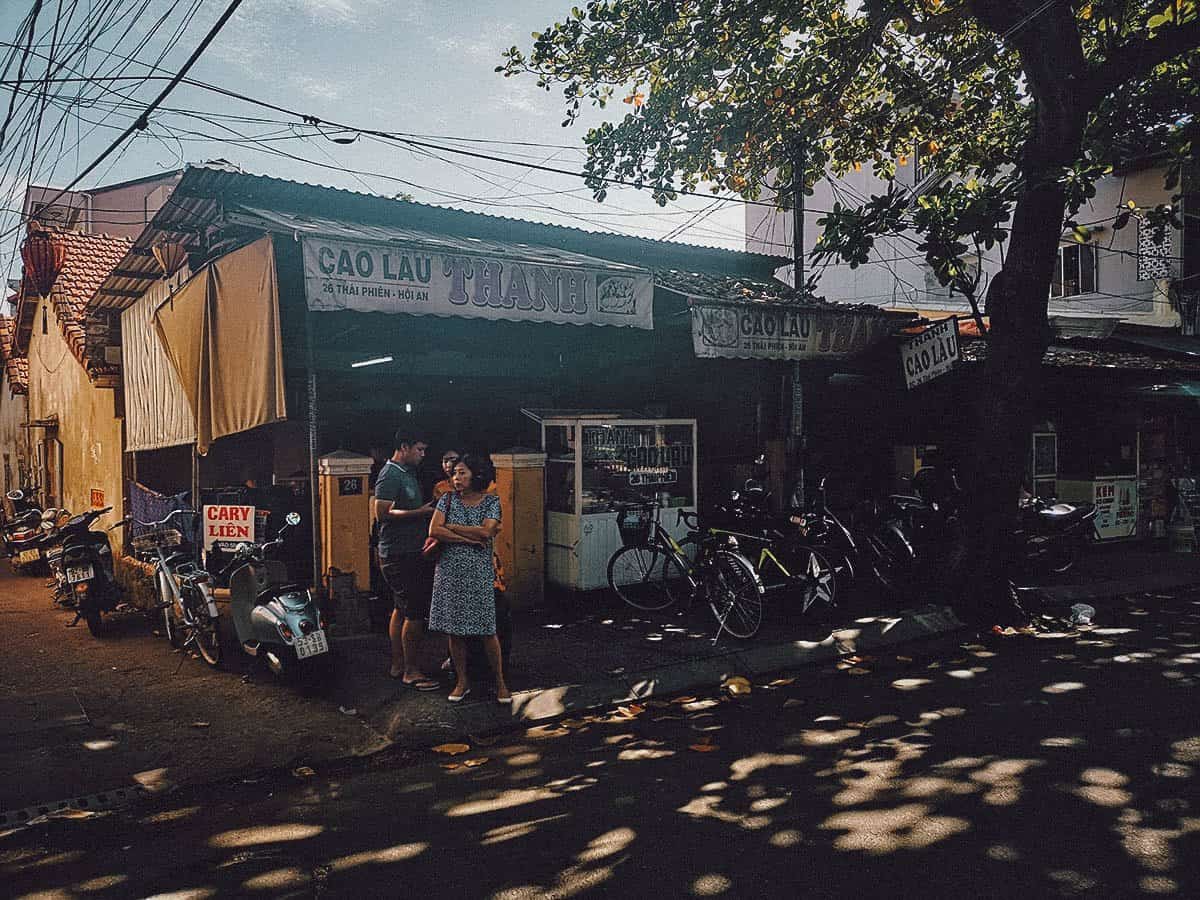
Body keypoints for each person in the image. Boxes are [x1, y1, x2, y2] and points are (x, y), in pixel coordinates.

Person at [427, 454, 511, 704]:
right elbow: (434, 530)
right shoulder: (447, 501)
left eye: (462, 472)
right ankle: (461, 681)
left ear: (476, 473)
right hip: (449, 571)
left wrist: (452, 527)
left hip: (479, 572)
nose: (456, 478)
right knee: (455, 631)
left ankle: (500, 682)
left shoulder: (491, 502)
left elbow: (486, 531)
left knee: (487, 628)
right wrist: (466, 538)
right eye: (454, 474)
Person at [375, 431, 438, 690]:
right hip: (399, 555)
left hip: (406, 552)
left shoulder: (406, 472)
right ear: (404, 447)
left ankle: (399, 664)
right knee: (414, 612)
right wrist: (419, 512)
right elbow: (381, 513)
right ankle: (410, 670)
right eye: (419, 449)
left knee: (401, 609)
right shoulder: (389, 474)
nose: (423, 455)